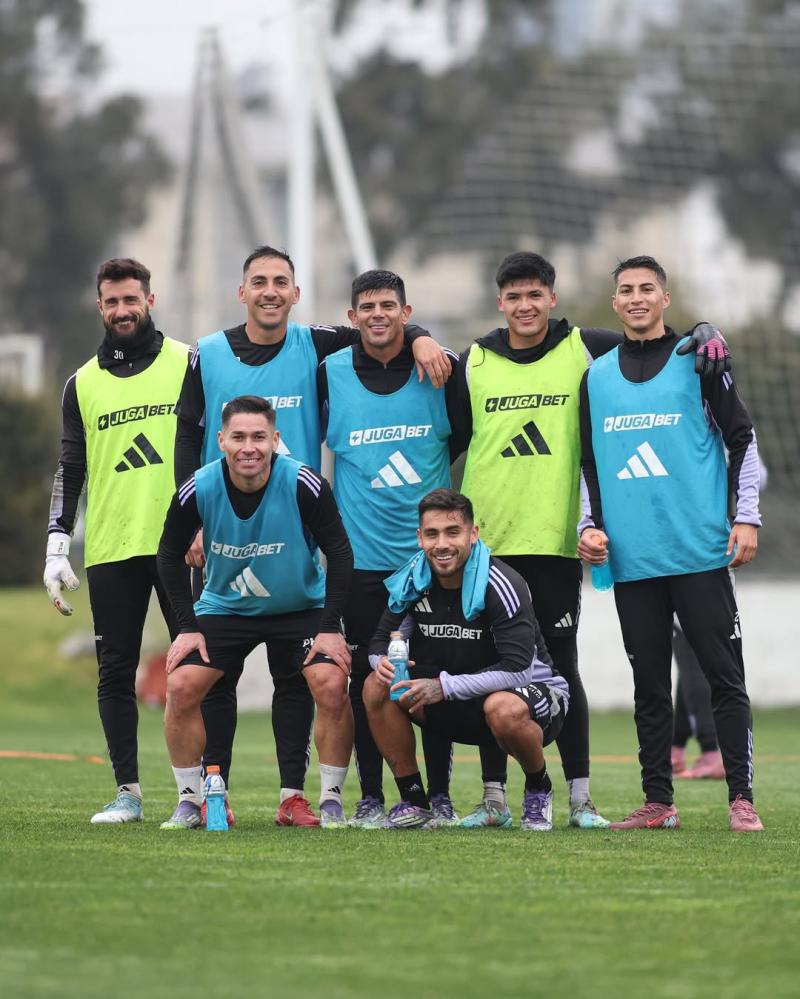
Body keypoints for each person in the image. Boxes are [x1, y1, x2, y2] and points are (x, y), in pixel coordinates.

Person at [174, 245, 449, 825]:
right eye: (259, 281)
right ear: (241, 291)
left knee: (302, 678)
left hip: (301, 539)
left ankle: (297, 796)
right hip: (222, 530)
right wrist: (196, 516)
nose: (270, 291)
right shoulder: (207, 353)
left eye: (281, 281)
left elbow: (381, 327)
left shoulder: (319, 346)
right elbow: (185, 436)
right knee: (212, 679)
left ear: (296, 294)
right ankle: (204, 794)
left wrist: (422, 335)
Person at [454, 251, 730, 829]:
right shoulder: (474, 360)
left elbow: (654, 341)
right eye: (513, 297)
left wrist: (707, 332)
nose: (525, 306)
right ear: (499, 302)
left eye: (536, 295)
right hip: (491, 543)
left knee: (563, 665)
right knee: (489, 664)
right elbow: (448, 437)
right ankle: (494, 799)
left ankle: (579, 798)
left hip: (556, 542)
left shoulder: (586, 347)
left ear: (553, 299)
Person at [578, 254, 764, 832]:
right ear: (615, 303)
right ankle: (659, 803)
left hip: (700, 555)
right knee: (650, 687)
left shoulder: (700, 361)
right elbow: (588, 466)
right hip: (633, 562)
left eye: (647, 289)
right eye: (626, 290)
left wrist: (747, 516)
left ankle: (742, 799)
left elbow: (743, 438)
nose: (636, 298)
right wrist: (589, 526)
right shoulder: (596, 377)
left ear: (664, 297)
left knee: (723, 679)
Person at [156, 395, 354, 829]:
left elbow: (340, 553)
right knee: (183, 685)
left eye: (259, 437)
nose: (249, 447)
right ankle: (196, 801)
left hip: (300, 606)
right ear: (222, 441)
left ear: (275, 440)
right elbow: (168, 556)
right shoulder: (198, 488)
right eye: (239, 437)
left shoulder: (305, 483)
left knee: (330, 682)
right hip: (225, 607)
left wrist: (329, 629)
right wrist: (187, 628)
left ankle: (321, 801)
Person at [44, 258, 190, 823]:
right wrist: (57, 543)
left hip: (182, 544)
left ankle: (200, 791)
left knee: (195, 666)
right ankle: (128, 793)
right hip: (110, 547)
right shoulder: (80, 383)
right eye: (112, 301)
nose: (123, 310)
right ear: (100, 306)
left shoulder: (187, 363)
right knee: (114, 672)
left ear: (149, 300)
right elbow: (70, 467)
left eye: (132, 299)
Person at [320, 268, 465, 827]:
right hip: (360, 562)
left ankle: (441, 794)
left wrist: (428, 339)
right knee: (366, 682)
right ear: (352, 318)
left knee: (430, 677)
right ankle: (373, 797)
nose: (377, 314)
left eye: (389, 305)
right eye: (366, 307)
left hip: (427, 561)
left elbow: (465, 439)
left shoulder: (439, 372)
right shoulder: (330, 372)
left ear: (406, 313)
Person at [363, 488, 570, 831]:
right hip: (459, 697)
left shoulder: (501, 583)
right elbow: (381, 641)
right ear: (420, 537)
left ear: (473, 534)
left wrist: (443, 686)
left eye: (452, 532)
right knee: (375, 686)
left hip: (534, 697)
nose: (441, 544)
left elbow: (518, 669)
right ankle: (414, 800)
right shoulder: (414, 580)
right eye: (432, 534)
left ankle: (538, 786)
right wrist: (380, 662)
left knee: (502, 708)